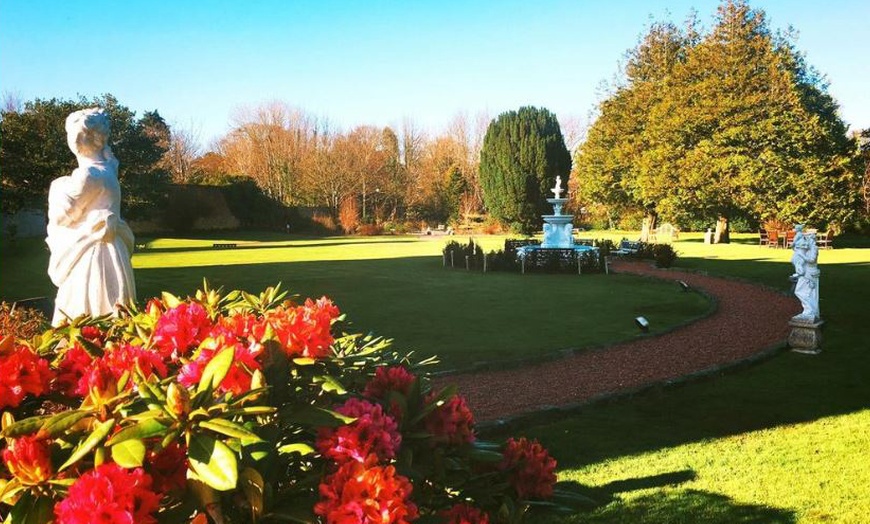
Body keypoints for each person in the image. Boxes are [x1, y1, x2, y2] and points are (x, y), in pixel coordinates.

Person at [46, 108, 136, 325]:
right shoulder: (107, 170)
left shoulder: (89, 176)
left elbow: (61, 217)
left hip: (92, 255)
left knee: (85, 312)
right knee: (113, 315)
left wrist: (56, 185)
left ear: (77, 140)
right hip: (112, 251)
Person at [789, 225, 820, 322]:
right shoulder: (810, 248)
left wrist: (801, 255)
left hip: (810, 273)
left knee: (800, 291)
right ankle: (809, 311)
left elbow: (811, 260)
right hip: (807, 272)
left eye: (808, 238)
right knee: (806, 292)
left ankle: (810, 311)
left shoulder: (814, 248)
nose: (807, 240)